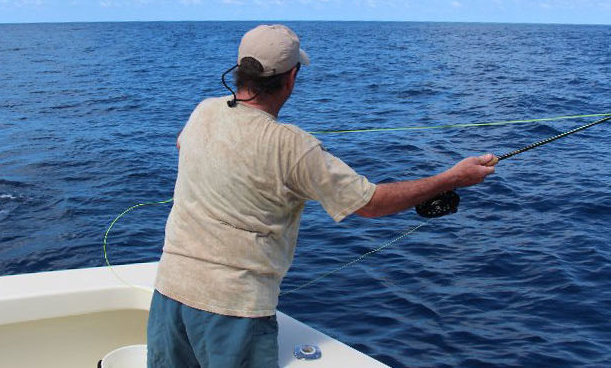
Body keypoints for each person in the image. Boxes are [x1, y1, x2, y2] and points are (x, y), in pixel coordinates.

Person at [147, 24, 496, 367]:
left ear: (241, 72)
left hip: (170, 291)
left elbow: (182, 143)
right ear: (291, 78)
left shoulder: (204, 110)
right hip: (232, 306)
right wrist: (453, 177)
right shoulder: (293, 146)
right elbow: (371, 204)